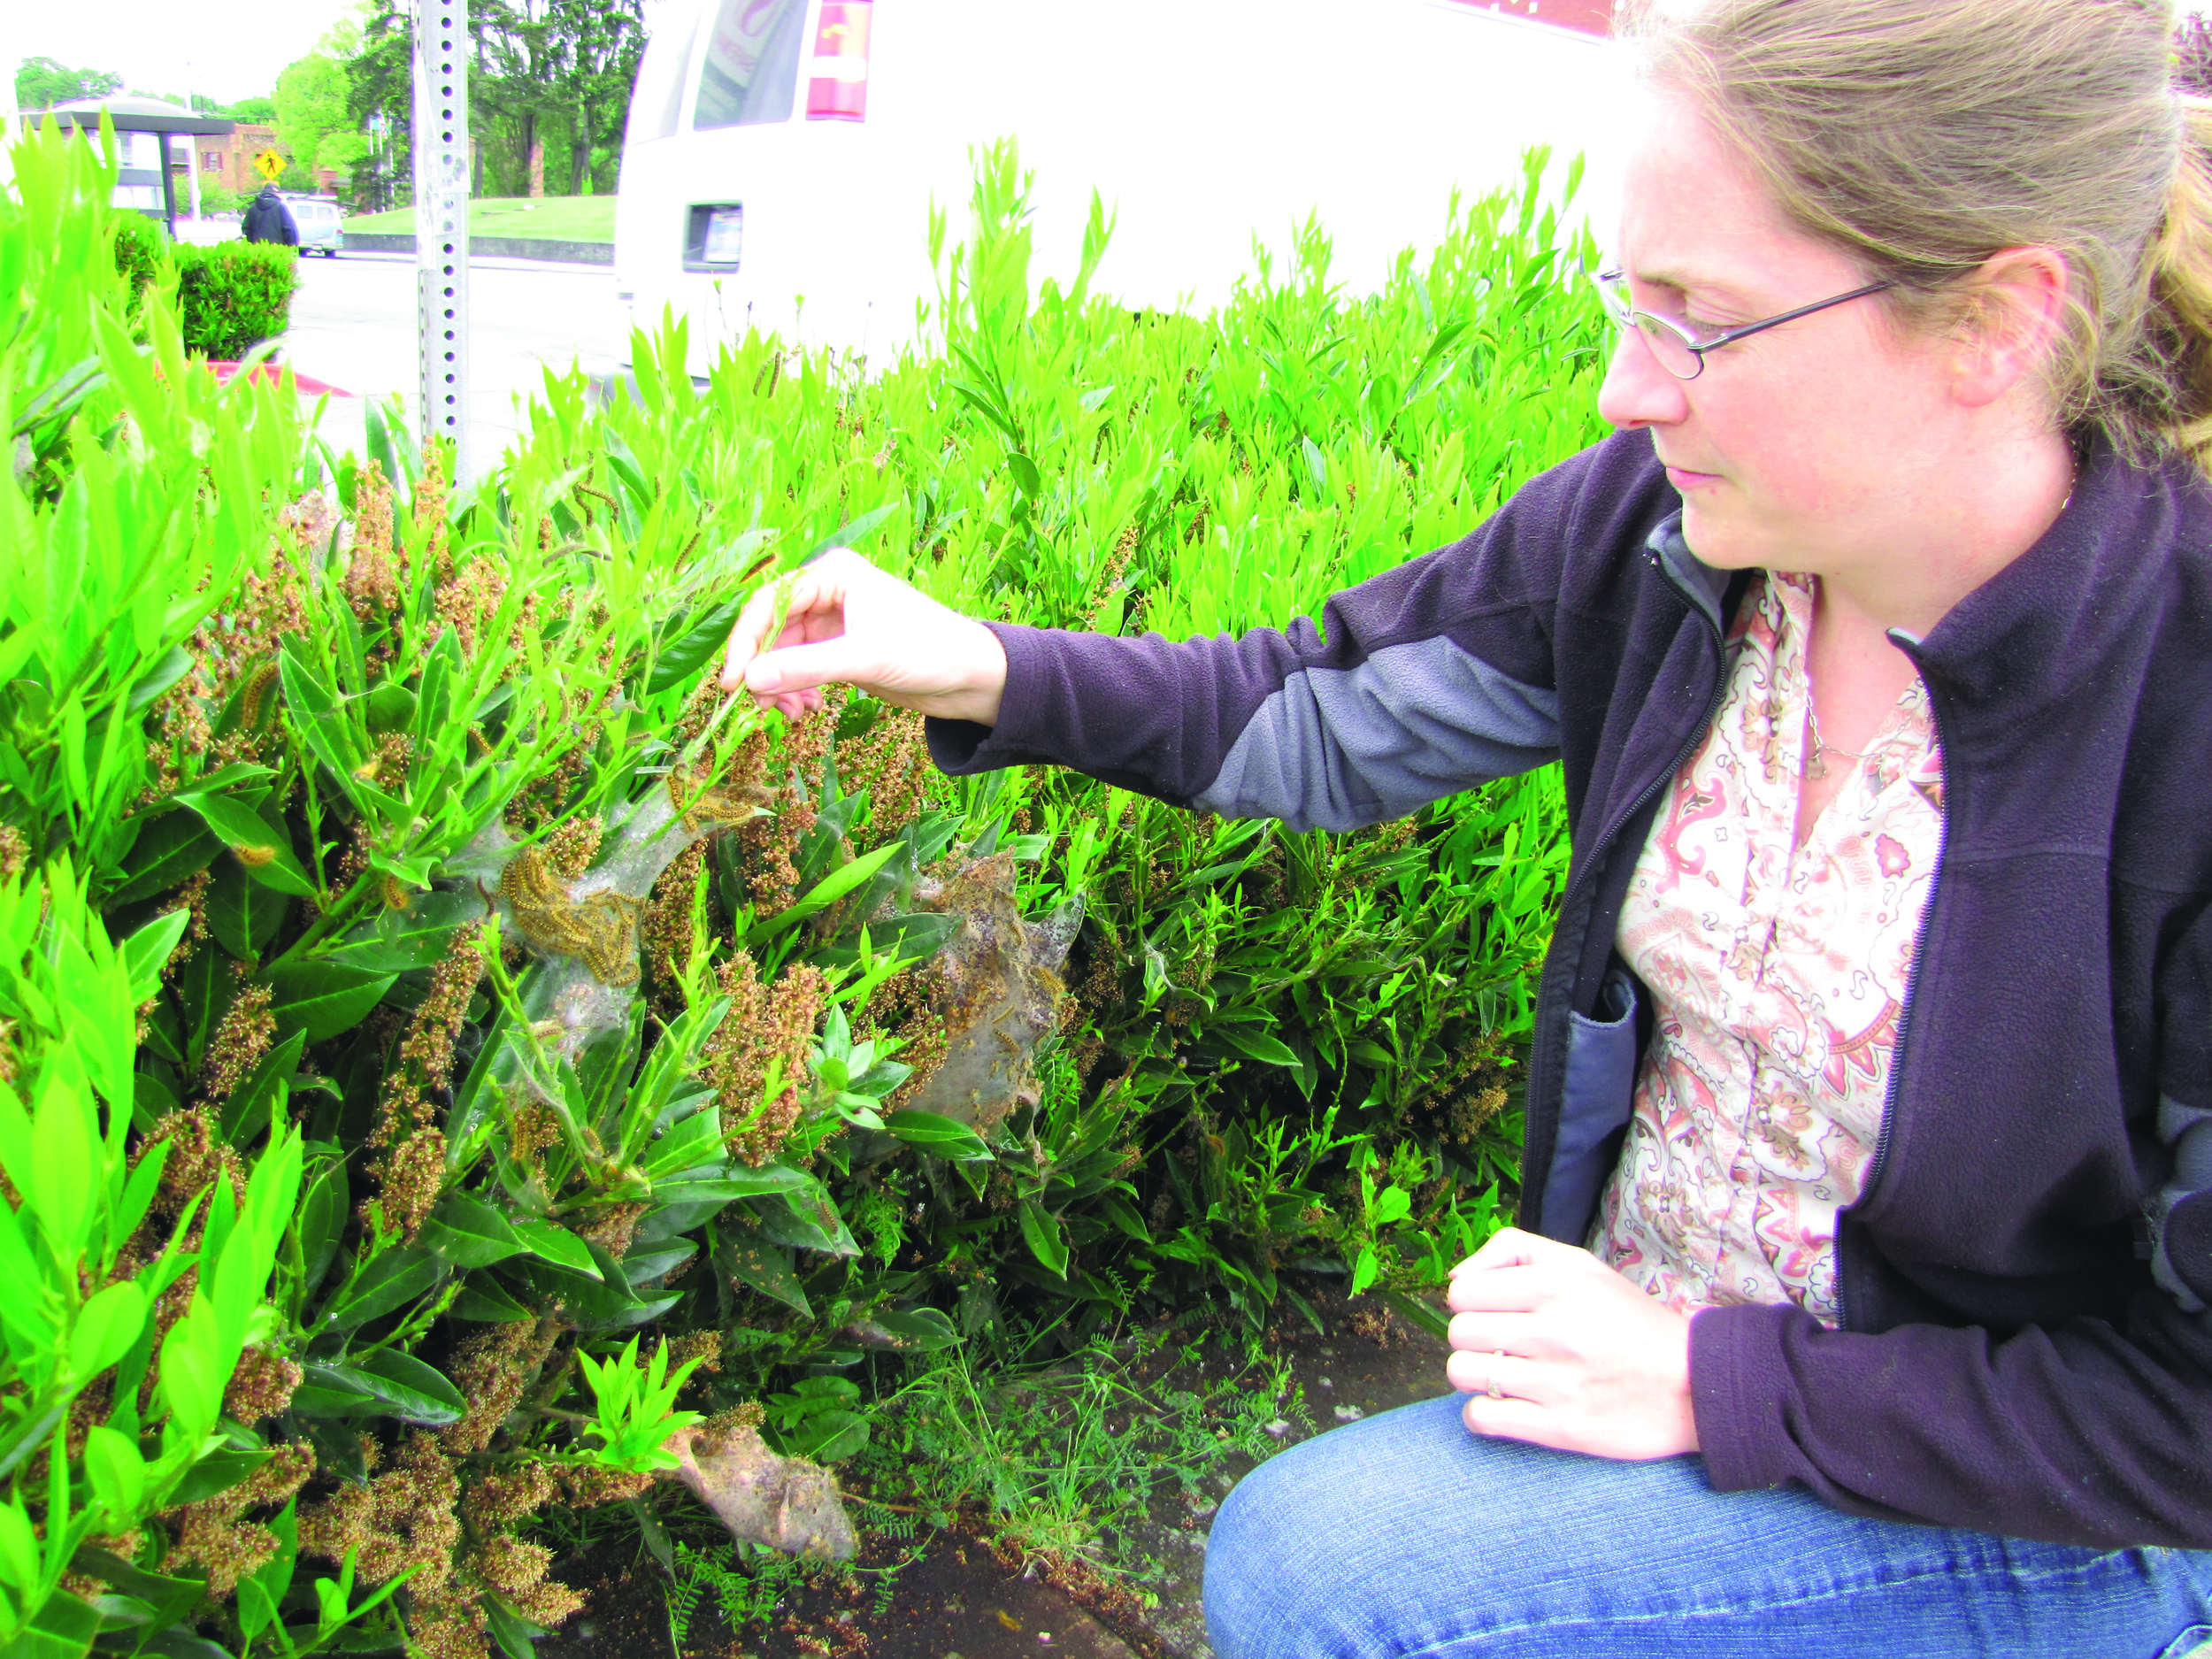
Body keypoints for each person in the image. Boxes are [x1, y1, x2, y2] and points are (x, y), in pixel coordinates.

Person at [718, 0, 2212, 1649]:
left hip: (2050, 1499)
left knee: (1334, 1580)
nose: (1624, 386)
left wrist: (1722, 1387)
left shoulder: (2180, 699)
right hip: (1655, 1387)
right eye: (1623, 299)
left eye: (1698, 321)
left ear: (1995, 320)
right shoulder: (1676, 544)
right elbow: (1325, 712)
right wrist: (985, 665)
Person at [241, 182, 298, 247]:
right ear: (276, 192)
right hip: (277, 249)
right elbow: (289, 229)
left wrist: (253, 241)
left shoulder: (252, 208)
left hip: (257, 249)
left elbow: (246, 228)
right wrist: (291, 246)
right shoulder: (280, 207)